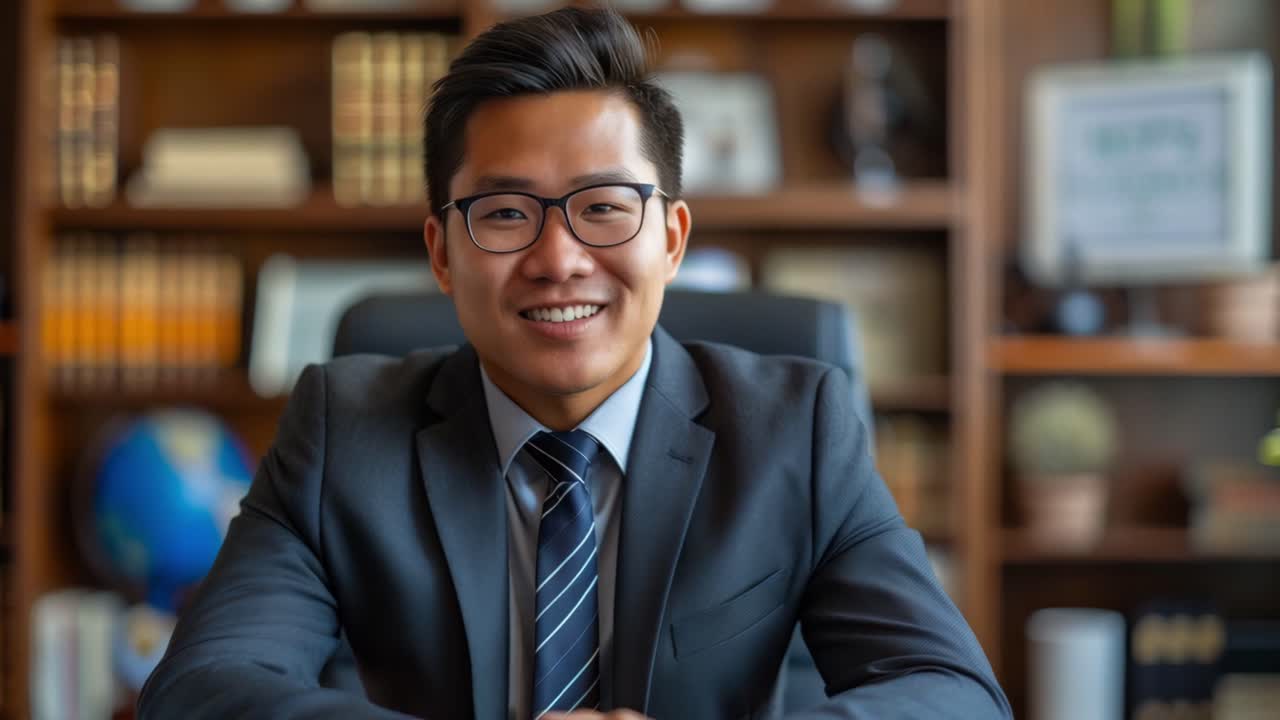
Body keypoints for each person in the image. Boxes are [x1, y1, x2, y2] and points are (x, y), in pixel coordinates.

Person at [139, 6, 1011, 719]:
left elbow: (952, 695)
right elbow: (203, 693)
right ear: (442, 253)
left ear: (671, 240)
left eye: (603, 207)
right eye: (507, 213)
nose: (559, 259)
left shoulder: (796, 428)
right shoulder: (342, 433)